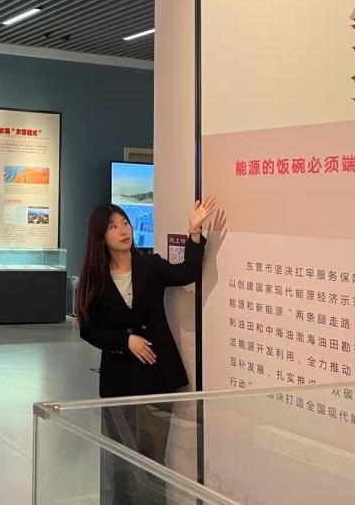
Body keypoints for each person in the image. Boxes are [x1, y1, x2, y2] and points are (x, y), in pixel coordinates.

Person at [76, 197, 219, 505]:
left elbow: (187, 273)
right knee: (121, 456)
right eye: (113, 227)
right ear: (100, 236)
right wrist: (125, 341)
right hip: (119, 382)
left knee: (153, 456)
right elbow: (88, 329)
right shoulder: (95, 279)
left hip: (157, 377)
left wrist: (194, 232)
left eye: (125, 223)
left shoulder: (150, 265)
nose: (123, 231)